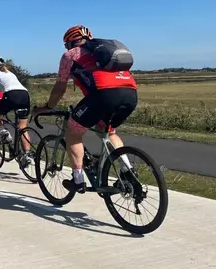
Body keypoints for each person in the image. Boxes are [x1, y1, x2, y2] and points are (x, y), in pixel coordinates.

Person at [31, 25, 138, 193]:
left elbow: (60, 87)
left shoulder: (70, 55)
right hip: (130, 93)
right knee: (108, 132)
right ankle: (128, 170)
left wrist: (48, 107)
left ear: (69, 43)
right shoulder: (102, 54)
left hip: (103, 95)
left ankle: (78, 179)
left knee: (73, 133)